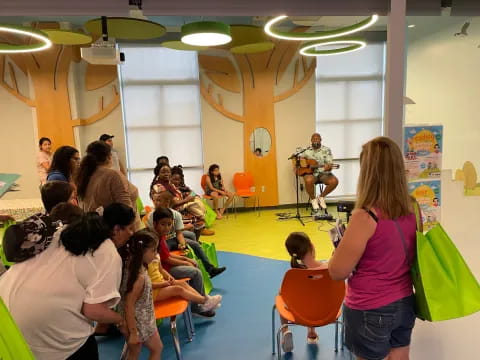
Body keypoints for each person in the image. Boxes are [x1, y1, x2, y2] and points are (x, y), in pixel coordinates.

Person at [328, 136, 418, 360]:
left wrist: (337, 252)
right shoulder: (413, 207)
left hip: (370, 307)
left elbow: (337, 271)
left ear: (368, 172)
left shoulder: (366, 216)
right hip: (405, 302)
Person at [0, 213, 126, 360]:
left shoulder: (56, 234)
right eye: (129, 228)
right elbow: (93, 311)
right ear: (115, 230)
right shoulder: (106, 251)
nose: (131, 232)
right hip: (50, 336)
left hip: (6, 322)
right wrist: (121, 319)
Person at [152, 208, 217, 318]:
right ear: (155, 224)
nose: (167, 227)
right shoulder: (155, 238)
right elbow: (167, 259)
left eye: (169, 224)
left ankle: (202, 297)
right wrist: (185, 263)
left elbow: (167, 255)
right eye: (163, 224)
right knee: (195, 272)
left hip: (165, 267)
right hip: (165, 269)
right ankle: (197, 307)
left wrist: (186, 260)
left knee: (194, 264)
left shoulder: (161, 235)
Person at [148, 191, 226, 278]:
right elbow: (154, 237)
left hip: (173, 238)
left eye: (159, 200)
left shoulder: (175, 214)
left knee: (195, 244)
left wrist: (183, 244)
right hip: (161, 242)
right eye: (155, 200)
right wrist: (184, 261)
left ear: (167, 202)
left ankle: (210, 269)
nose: (155, 202)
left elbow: (179, 233)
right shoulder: (152, 216)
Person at [280, 232, 327, 352]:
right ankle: (311, 331)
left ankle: (285, 330)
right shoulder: (327, 268)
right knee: (314, 298)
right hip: (326, 313)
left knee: (281, 298)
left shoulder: (293, 276)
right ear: (311, 246)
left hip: (299, 314)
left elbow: (283, 294)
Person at [75, 141, 133, 213]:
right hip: (116, 222)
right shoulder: (112, 175)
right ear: (109, 156)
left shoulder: (84, 175)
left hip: (95, 221)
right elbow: (126, 209)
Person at [171, 166, 214, 236]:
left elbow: (193, 192)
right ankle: (200, 229)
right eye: (174, 179)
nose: (176, 182)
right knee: (195, 212)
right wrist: (187, 199)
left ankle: (201, 228)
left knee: (199, 203)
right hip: (179, 208)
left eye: (178, 180)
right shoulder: (171, 190)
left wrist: (194, 195)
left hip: (186, 204)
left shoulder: (183, 186)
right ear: (170, 178)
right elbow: (175, 203)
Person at [302, 133, 339, 211]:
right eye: (314, 139)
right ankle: (313, 200)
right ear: (311, 140)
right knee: (308, 180)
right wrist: (298, 165)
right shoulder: (305, 150)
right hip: (310, 173)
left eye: (317, 139)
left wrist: (328, 167)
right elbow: (297, 160)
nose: (316, 140)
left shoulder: (326, 150)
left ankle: (321, 197)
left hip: (323, 173)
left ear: (320, 140)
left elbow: (329, 162)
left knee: (334, 181)